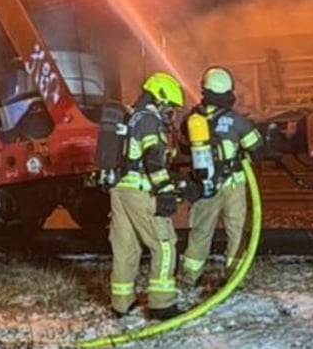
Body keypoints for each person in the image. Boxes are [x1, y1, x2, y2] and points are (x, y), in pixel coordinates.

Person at [109, 71, 185, 320]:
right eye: (170, 107)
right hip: (141, 190)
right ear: (160, 99)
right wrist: (164, 190)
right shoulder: (149, 120)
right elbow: (153, 157)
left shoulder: (131, 117)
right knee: (163, 244)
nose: (171, 113)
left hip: (120, 190)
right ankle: (162, 305)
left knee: (125, 247)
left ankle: (122, 303)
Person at [179, 66, 263, 288]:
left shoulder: (192, 119)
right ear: (229, 93)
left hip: (204, 185)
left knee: (200, 232)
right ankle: (235, 276)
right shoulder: (236, 120)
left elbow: (184, 146)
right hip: (233, 184)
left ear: (204, 90)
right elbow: (257, 147)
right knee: (236, 230)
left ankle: (189, 277)